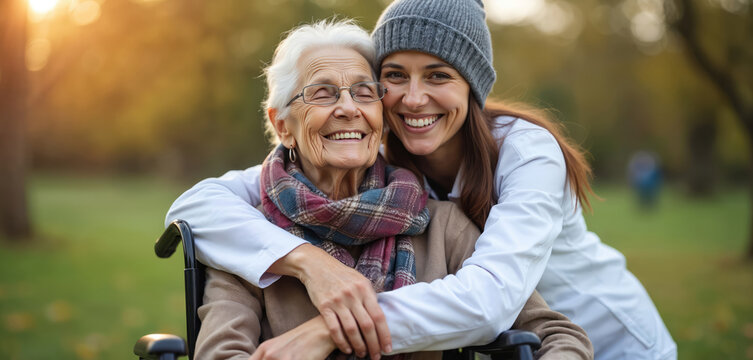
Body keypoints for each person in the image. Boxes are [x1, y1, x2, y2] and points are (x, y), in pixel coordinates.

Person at [167, 1, 677, 359]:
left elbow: (490, 301)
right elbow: (193, 207)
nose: (412, 99)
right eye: (393, 77)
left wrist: (331, 329)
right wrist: (308, 263)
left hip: (615, 342)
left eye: (437, 76)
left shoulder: (525, 153)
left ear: (471, 89)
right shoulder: (378, 157)